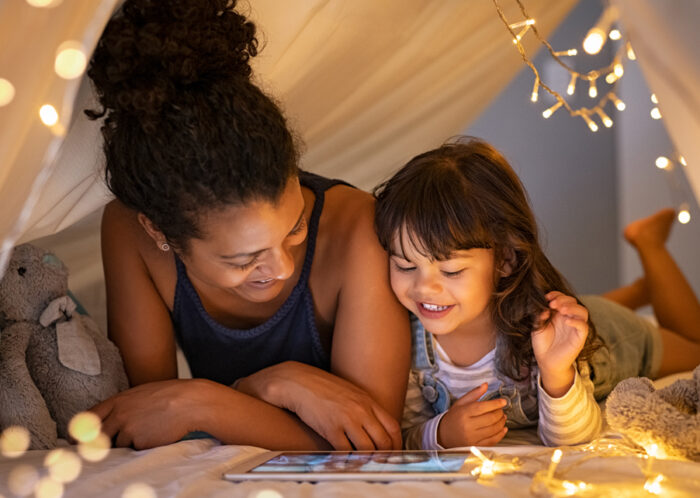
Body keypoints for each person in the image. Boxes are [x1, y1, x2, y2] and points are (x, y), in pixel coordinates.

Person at [85, 0, 410, 451]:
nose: (279, 267)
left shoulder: (358, 228)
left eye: (295, 228)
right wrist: (263, 391)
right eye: (243, 259)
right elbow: (149, 417)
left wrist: (214, 399)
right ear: (160, 232)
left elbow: (372, 443)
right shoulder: (129, 233)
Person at [372, 138, 700, 450]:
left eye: (451, 271)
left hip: (609, 338)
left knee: (695, 346)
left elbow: (575, 436)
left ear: (505, 259)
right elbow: (402, 433)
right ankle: (639, 291)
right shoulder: (404, 343)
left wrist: (556, 372)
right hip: (563, 315)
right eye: (404, 265)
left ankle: (649, 244)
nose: (423, 287)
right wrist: (440, 434)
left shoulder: (540, 333)